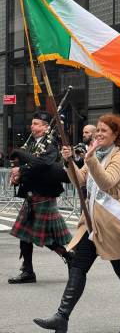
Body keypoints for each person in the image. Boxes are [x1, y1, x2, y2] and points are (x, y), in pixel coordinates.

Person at [33, 113, 120, 333]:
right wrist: (69, 161)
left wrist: (90, 158)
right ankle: (62, 316)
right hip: (91, 223)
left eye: (103, 131)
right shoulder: (96, 153)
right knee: (78, 266)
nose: (98, 134)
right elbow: (80, 180)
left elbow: (106, 182)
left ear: (115, 134)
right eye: (97, 130)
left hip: (111, 222)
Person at [8, 110, 73, 284]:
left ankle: (70, 258)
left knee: (46, 238)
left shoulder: (51, 145)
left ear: (46, 128)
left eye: (36, 124)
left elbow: (42, 165)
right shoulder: (30, 145)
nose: (32, 126)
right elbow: (29, 166)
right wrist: (17, 177)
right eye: (32, 123)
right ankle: (28, 271)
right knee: (25, 236)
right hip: (31, 196)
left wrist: (20, 168)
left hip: (44, 196)